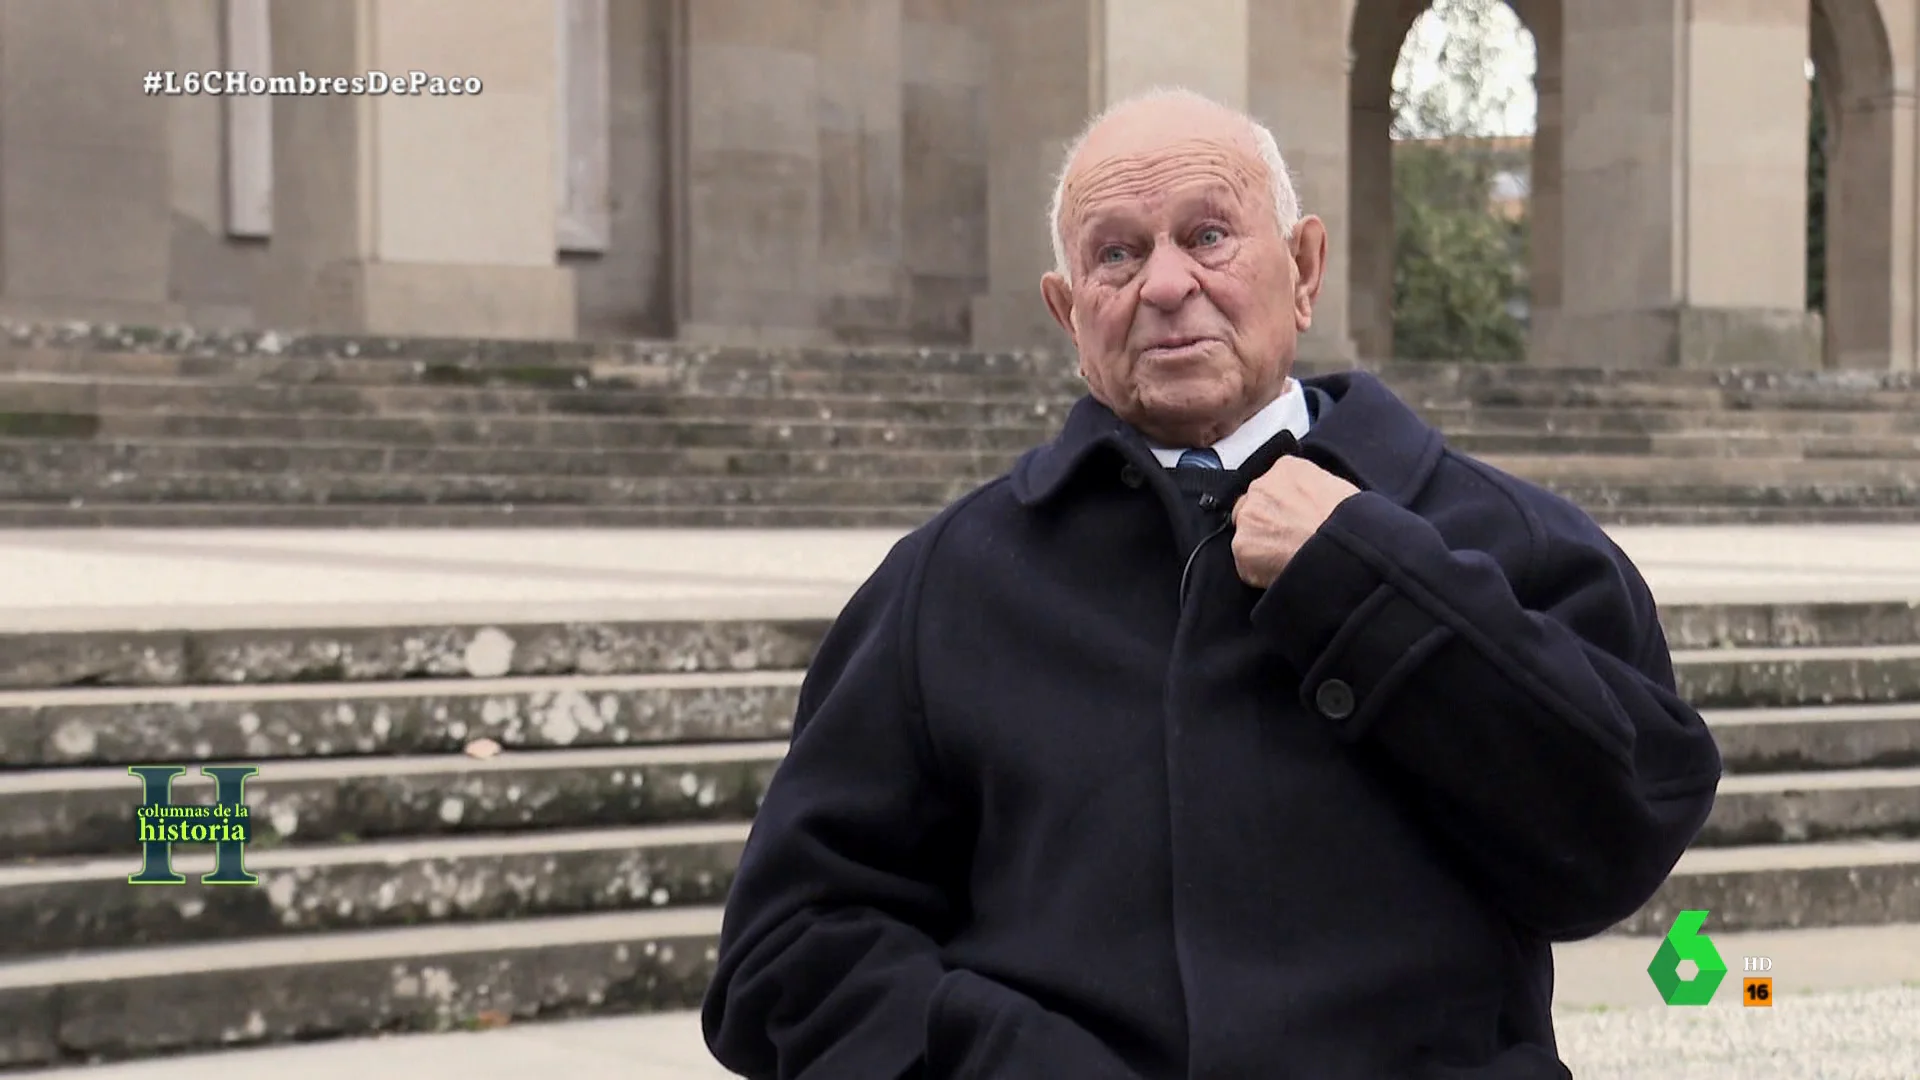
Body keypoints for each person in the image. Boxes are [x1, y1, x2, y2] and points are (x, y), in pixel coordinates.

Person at [701, 87, 1723, 1079]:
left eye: (1209, 235)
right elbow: (787, 948)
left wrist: (1371, 578)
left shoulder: (1503, 537)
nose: (1166, 284)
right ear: (1069, 312)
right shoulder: (951, 581)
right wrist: (1005, 1059)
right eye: (1117, 253)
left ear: (1305, 266)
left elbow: (1624, 825)